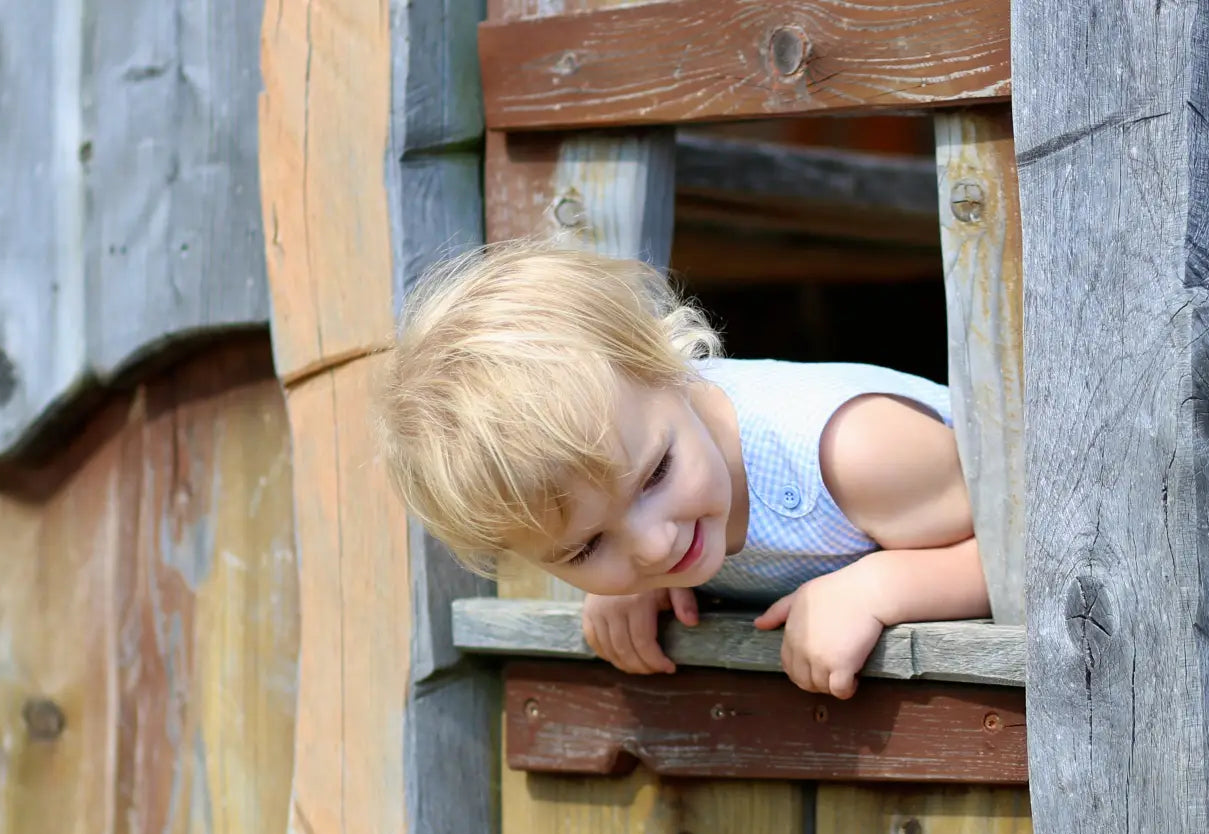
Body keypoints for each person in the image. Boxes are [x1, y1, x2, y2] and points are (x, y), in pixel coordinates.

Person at [375, 240, 990, 698]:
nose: (652, 543)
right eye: (585, 549)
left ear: (671, 366)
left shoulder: (854, 452)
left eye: (654, 477)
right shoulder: (648, 460)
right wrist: (645, 587)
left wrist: (878, 589)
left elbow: (1041, 551)